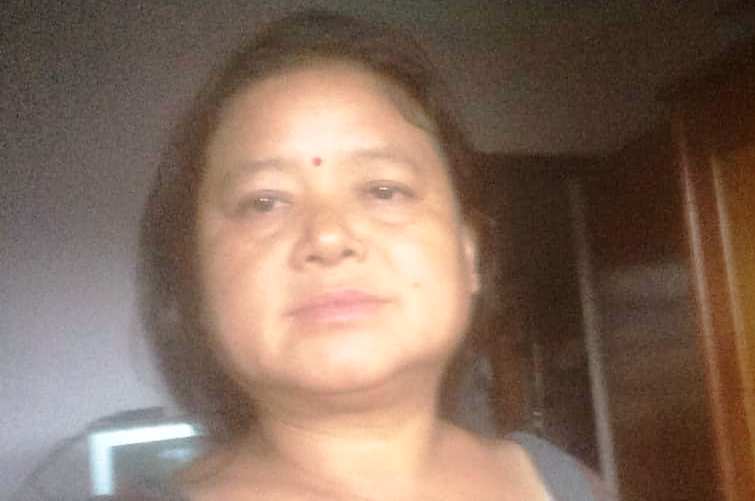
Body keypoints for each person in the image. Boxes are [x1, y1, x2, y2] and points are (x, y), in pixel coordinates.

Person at [139, 10, 612, 501]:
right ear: (194, 278)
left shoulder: (564, 483)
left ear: (468, 254)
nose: (328, 236)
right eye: (264, 202)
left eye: (385, 190)